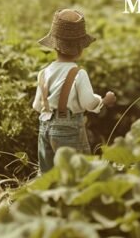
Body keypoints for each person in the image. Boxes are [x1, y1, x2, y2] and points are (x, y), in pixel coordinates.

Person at [32, 9, 116, 173]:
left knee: (48, 176)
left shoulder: (43, 73)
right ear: (81, 49)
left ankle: (53, 198)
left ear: (54, 46)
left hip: (45, 128)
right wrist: (104, 100)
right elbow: (88, 103)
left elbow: (36, 105)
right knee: (78, 173)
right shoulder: (78, 73)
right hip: (68, 129)